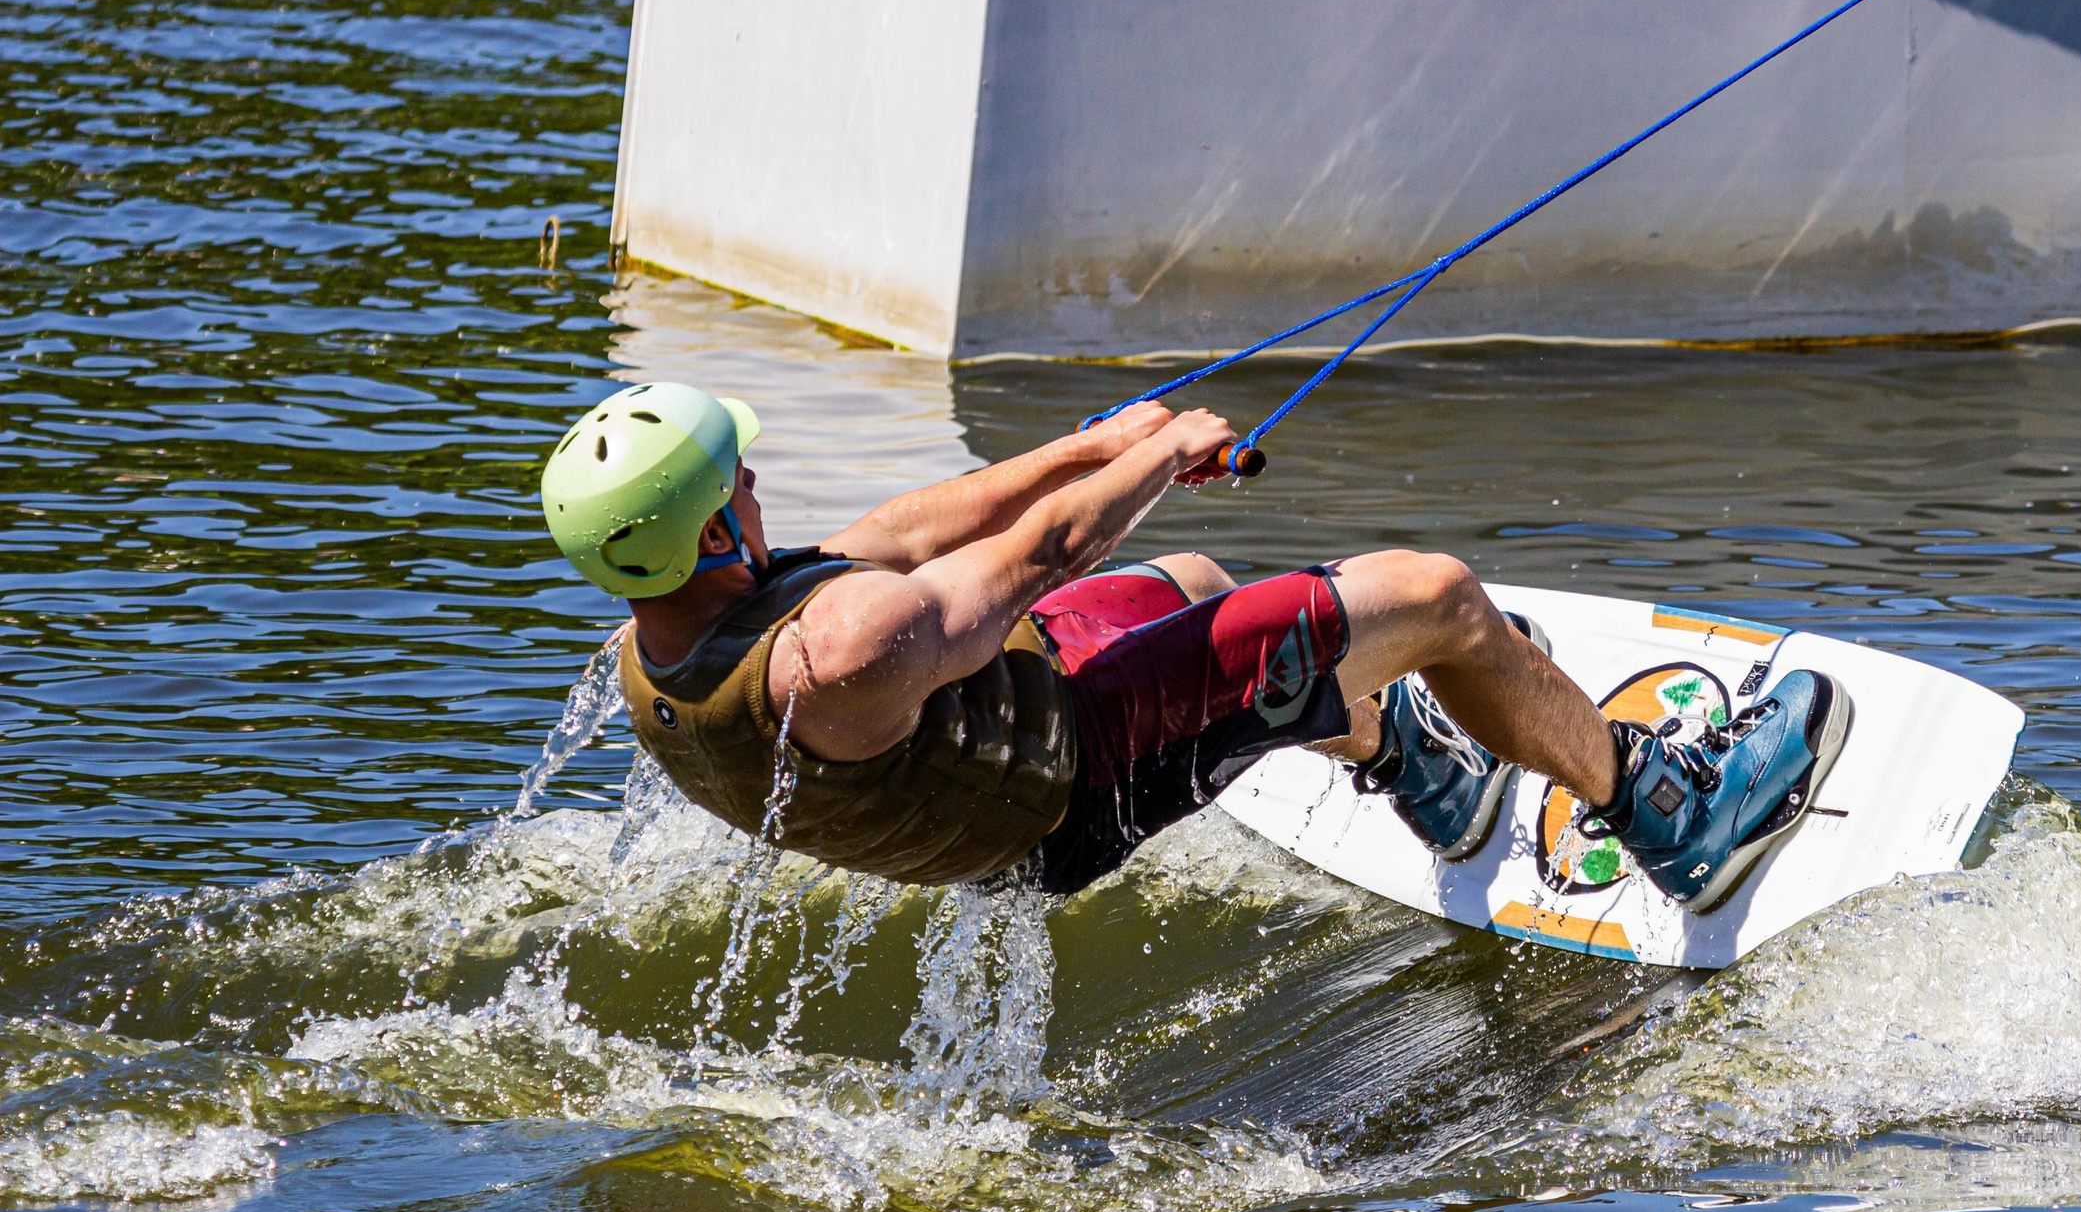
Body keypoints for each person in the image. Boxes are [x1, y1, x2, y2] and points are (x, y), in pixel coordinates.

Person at [539, 381, 1847, 907]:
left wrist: (1093, 448)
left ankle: (1425, 770)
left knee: (1199, 582)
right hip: (1073, 786)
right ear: (709, 533)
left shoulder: (663, 639)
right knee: (1441, 593)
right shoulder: (841, 654)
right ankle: (1674, 809)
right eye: (736, 475)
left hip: (1017, 742)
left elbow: (894, 533)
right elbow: (1041, 560)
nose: (757, 473)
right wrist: (1165, 452)